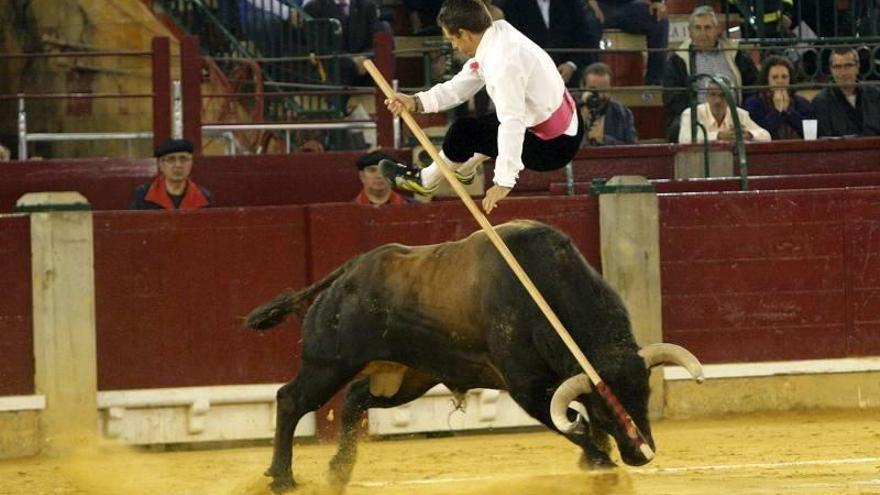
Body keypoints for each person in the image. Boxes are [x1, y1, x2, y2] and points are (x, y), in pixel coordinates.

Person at [381, 0, 584, 214]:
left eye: (452, 39)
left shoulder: (503, 63)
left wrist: (503, 182)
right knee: (483, 125)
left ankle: (426, 180)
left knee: (463, 132)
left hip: (554, 147)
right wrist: (416, 102)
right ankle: (465, 165)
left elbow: (511, 122)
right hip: (564, 119)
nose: (453, 46)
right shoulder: (498, 34)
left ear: (464, 34)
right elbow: (462, 85)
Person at [663, 5, 759, 142]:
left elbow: (754, 85)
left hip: (734, 115)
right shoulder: (677, 60)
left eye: (708, 28)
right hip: (697, 118)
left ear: (717, 30)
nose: (703, 33)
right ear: (690, 32)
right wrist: (704, 117)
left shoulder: (736, 54)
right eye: (698, 28)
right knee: (677, 127)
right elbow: (673, 100)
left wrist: (737, 115)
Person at [501, 0, 595, 86]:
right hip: (529, 77)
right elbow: (511, 42)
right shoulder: (513, 4)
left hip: (566, 78)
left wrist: (571, 64)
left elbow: (585, 37)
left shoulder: (571, 3)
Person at [582, 0, 670, 85]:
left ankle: (655, 83)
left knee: (659, 19)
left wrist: (656, 2)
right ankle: (590, 83)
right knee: (588, 21)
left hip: (629, 7)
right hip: (599, 5)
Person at [303, 0, 387, 87]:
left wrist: (365, 58)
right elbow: (317, 44)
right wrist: (351, 60)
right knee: (344, 66)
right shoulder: (314, 8)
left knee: (382, 51)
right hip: (334, 63)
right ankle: (337, 99)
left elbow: (375, 40)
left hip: (364, 65)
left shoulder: (367, 6)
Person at [678, 77, 771, 144]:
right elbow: (684, 138)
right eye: (713, 95)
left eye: (722, 95)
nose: (717, 101)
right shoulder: (691, 113)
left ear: (731, 98)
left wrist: (749, 135)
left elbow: (766, 136)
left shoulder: (740, 114)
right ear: (706, 96)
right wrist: (718, 136)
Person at [812, 47, 880, 138]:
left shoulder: (875, 95)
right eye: (837, 67)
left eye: (848, 66)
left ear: (857, 67)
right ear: (831, 70)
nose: (843, 73)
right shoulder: (821, 102)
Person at [743, 55, 814, 140]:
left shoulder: (802, 103)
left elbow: (810, 133)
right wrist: (777, 112)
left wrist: (788, 112)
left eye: (784, 77)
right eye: (775, 77)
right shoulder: (753, 104)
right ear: (767, 80)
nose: (780, 81)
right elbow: (759, 135)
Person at [130, 139, 214, 210]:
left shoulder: (203, 197)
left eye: (183, 159)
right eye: (171, 159)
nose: (178, 165)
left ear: (192, 163)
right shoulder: (143, 195)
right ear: (160, 165)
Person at [579, 62, 638, 146]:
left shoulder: (622, 113)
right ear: (583, 87)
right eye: (593, 89)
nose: (599, 95)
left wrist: (604, 139)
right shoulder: (570, 111)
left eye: (604, 89)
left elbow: (633, 149)